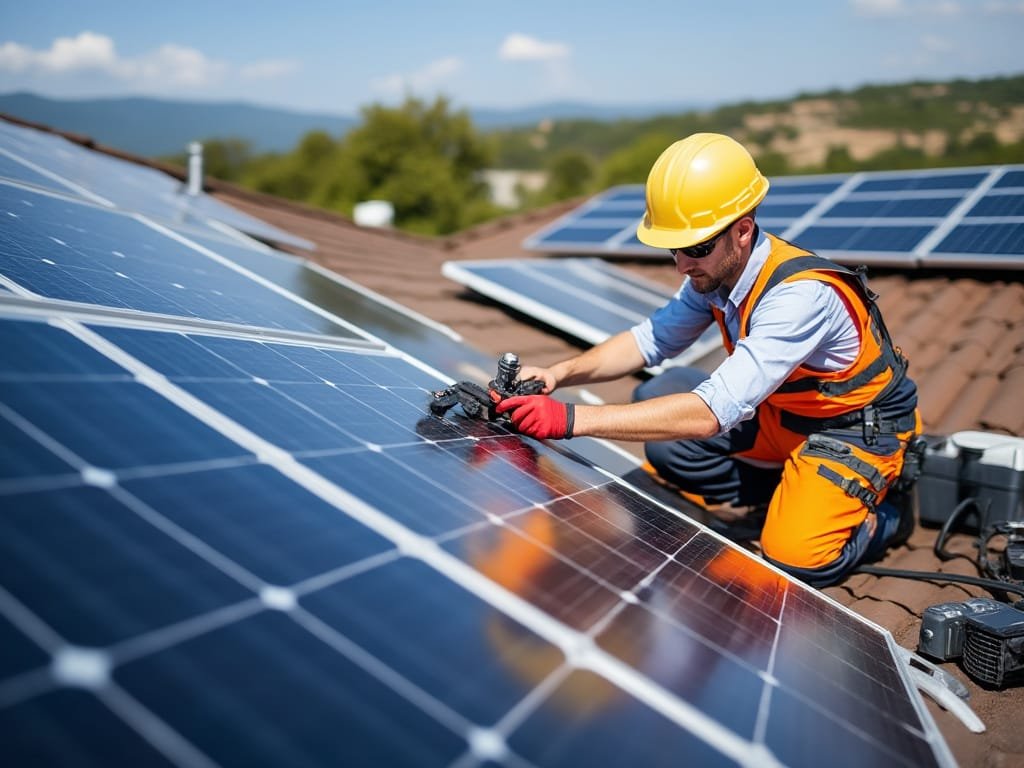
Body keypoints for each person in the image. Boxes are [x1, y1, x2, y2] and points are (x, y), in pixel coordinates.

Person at [495, 132, 922, 588]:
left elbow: (710, 413)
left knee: (794, 557)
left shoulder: (800, 297)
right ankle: (791, 488)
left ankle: (886, 516)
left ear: (743, 228)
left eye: (696, 248)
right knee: (662, 422)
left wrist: (569, 419)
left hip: (852, 431)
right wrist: (559, 374)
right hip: (783, 420)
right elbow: (649, 341)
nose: (682, 264)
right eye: (673, 249)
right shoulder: (714, 273)